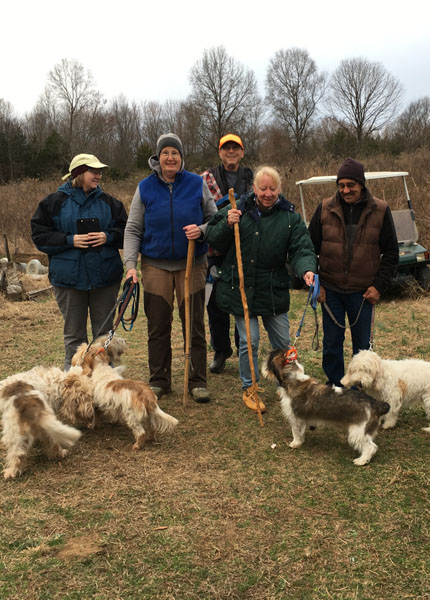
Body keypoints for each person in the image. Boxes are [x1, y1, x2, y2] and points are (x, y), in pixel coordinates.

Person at [205, 166, 316, 412]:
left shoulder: (290, 218)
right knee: (249, 341)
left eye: (272, 189)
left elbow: (302, 248)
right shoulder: (237, 209)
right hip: (241, 289)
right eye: (263, 188)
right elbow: (212, 236)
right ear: (254, 188)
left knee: (283, 344)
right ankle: (250, 387)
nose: (268, 193)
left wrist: (306, 269)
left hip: (272, 290)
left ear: (279, 189)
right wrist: (227, 223)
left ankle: (289, 385)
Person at [123, 133, 217, 402]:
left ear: (181, 157)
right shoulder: (145, 187)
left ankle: (197, 381)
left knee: (194, 325)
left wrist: (201, 231)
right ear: (158, 157)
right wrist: (131, 265)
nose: (170, 157)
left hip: (192, 264)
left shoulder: (196, 183)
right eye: (165, 152)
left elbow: (215, 219)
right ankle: (159, 379)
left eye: (175, 153)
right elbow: (133, 229)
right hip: (155, 266)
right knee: (158, 326)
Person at [31, 153, 127, 370]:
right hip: (69, 281)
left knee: (104, 337)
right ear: (79, 174)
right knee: (74, 337)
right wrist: (69, 240)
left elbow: (127, 232)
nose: (98, 175)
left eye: (100, 171)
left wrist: (108, 237)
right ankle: (74, 382)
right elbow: (39, 236)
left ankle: (105, 381)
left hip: (105, 279)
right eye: (94, 171)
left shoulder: (111, 203)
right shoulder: (53, 203)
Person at [308, 158, 399, 387]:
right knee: (331, 344)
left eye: (351, 185)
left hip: (363, 293)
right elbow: (309, 248)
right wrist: (317, 284)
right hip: (331, 292)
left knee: (363, 347)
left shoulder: (381, 210)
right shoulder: (324, 208)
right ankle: (335, 387)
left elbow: (391, 253)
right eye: (341, 185)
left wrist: (378, 286)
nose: (346, 190)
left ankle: (361, 389)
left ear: (361, 184)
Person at [201, 133, 253, 374]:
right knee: (215, 306)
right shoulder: (206, 179)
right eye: (226, 148)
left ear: (242, 152)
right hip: (216, 252)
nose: (231, 152)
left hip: (244, 250)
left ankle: (245, 348)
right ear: (220, 152)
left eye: (235, 148)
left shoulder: (251, 178)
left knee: (243, 302)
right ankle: (221, 350)